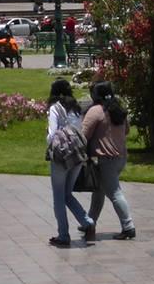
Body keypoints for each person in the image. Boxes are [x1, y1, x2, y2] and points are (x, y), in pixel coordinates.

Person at [82, 81, 135, 241]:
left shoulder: (96, 111)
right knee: (99, 192)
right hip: (120, 157)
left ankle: (128, 227)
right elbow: (126, 130)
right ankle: (89, 223)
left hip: (105, 159)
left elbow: (83, 134)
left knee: (114, 192)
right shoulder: (118, 109)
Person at [45, 79, 95, 247]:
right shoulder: (76, 108)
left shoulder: (55, 108)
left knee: (58, 197)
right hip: (78, 156)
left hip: (62, 157)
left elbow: (52, 135)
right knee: (67, 194)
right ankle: (87, 222)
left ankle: (63, 235)